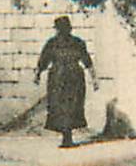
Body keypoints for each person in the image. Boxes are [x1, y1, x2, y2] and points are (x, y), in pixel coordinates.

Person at [34, 16, 94, 148]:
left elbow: (43, 61)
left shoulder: (54, 43)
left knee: (64, 106)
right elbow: (87, 62)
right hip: (70, 77)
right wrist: (94, 78)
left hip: (60, 77)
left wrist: (38, 74)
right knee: (67, 106)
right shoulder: (75, 42)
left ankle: (67, 137)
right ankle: (67, 137)